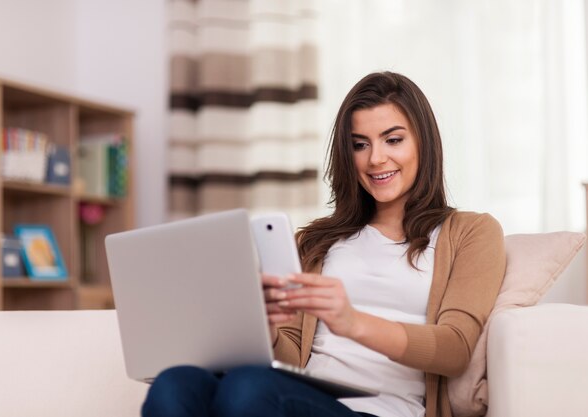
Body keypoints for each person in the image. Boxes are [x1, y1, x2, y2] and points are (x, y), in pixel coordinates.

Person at [141, 72, 506, 417]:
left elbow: (456, 348)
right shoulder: (315, 242)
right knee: (176, 382)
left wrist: (352, 322)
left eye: (393, 139)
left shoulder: (470, 233)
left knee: (248, 388)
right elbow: (291, 359)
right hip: (299, 397)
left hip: (383, 410)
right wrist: (264, 330)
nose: (376, 158)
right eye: (360, 145)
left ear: (423, 143)